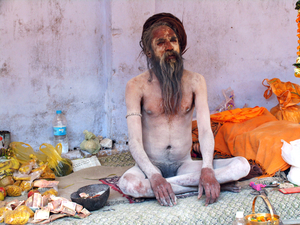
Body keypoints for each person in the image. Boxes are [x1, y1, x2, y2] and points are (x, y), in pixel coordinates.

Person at [118, 12, 250, 207]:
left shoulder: (196, 81)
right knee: (129, 185)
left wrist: (206, 168)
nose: (169, 46)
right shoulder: (136, 86)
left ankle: (186, 184)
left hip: (185, 165)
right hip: (150, 166)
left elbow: (205, 131)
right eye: (160, 42)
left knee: (242, 166)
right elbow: (135, 141)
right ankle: (206, 185)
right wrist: (154, 176)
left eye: (173, 40)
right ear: (149, 51)